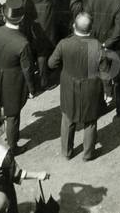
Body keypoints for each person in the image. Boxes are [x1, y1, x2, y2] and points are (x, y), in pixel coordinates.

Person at [0, 0, 36, 153]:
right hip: (13, 81)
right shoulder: (22, 42)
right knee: (12, 115)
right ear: (22, 18)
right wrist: (31, 89)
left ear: (4, 15)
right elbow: (27, 69)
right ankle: (12, 147)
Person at [47, 12, 104, 161]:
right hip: (91, 87)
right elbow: (105, 70)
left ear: (74, 26)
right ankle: (88, 154)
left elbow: (51, 63)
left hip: (69, 86)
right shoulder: (96, 45)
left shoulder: (64, 43)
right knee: (90, 121)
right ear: (91, 29)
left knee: (67, 118)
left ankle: (66, 152)